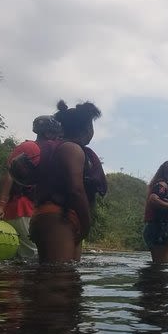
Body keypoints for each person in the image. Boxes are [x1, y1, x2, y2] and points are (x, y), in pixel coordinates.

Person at [29, 100, 107, 264]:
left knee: (68, 279)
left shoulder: (65, 147)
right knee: (59, 279)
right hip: (57, 217)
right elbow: (75, 190)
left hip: (60, 217)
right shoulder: (71, 149)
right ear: (87, 128)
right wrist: (86, 225)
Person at [0, 115, 61, 258]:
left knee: (24, 255)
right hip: (21, 208)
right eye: (56, 135)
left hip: (31, 209)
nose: (59, 138)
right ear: (47, 133)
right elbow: (9, 174)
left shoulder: (50, 153)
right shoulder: (30, 147)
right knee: (34, 254)